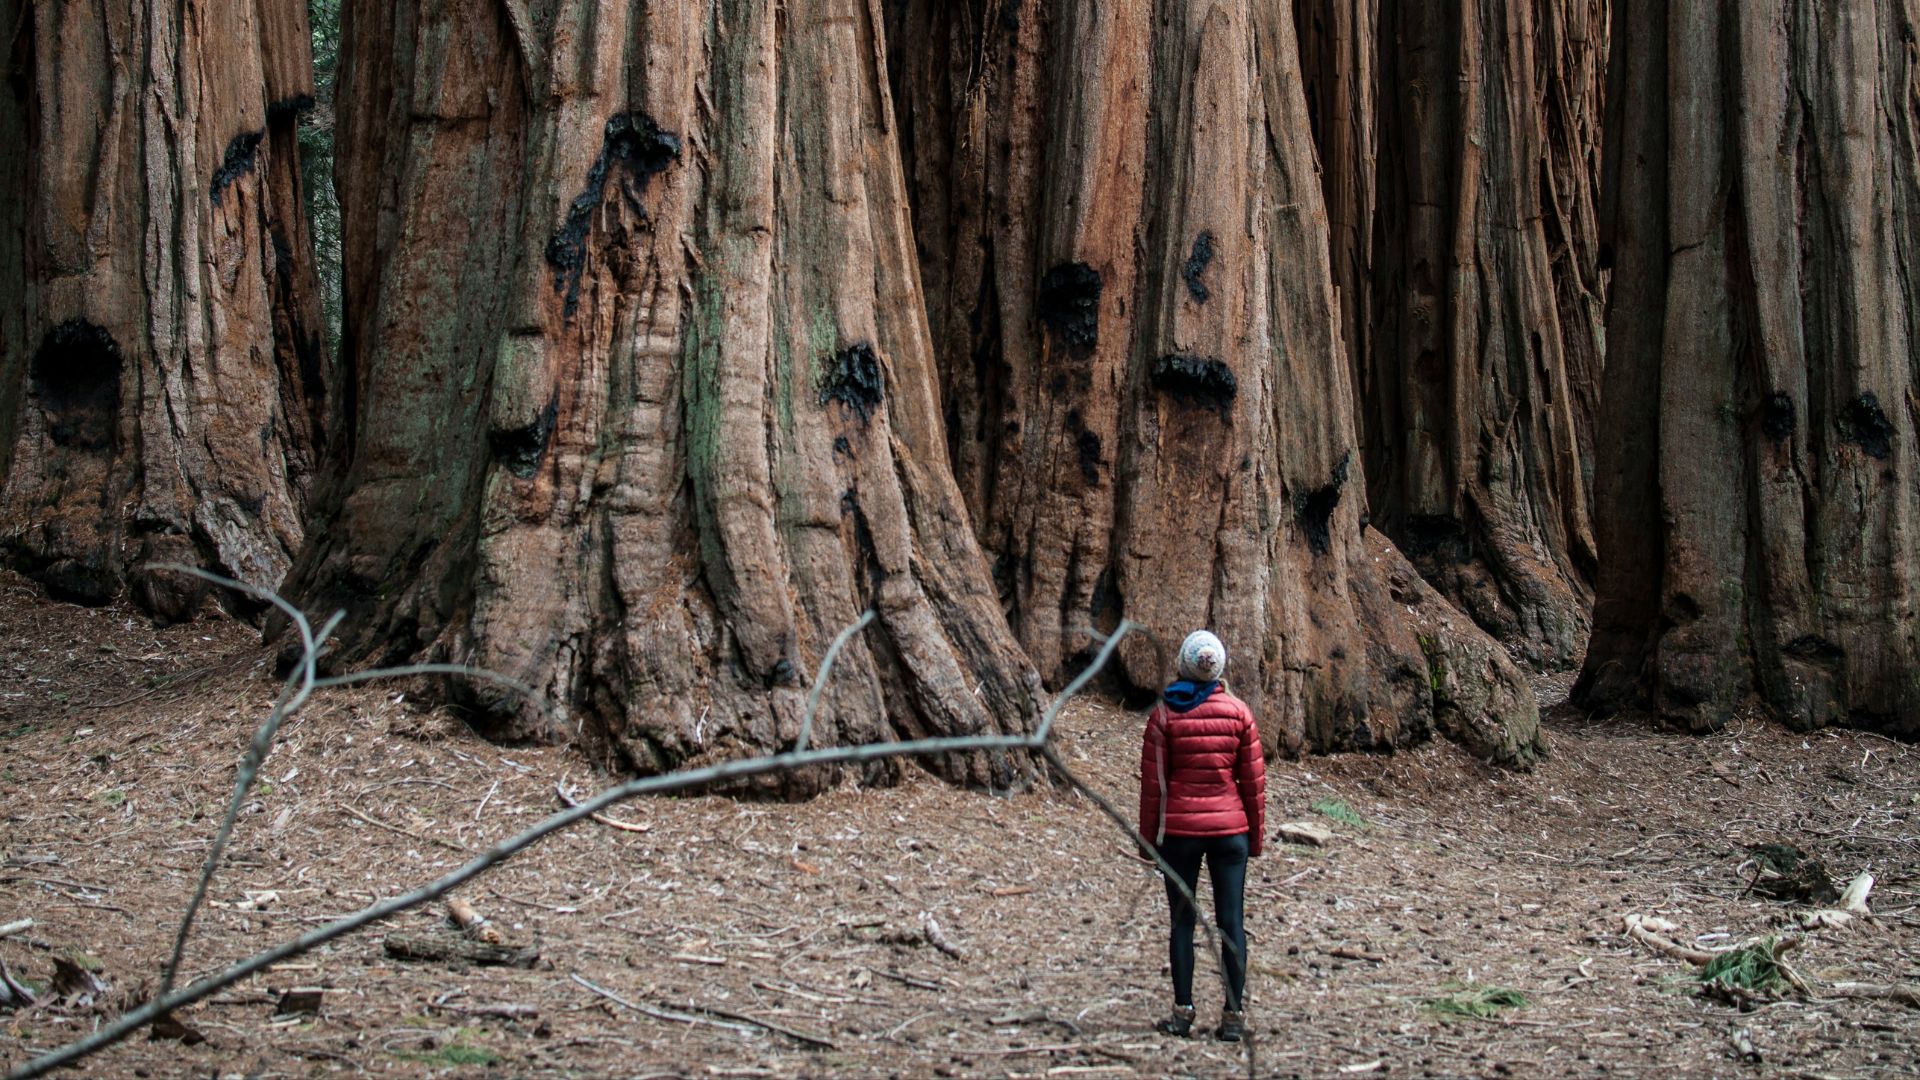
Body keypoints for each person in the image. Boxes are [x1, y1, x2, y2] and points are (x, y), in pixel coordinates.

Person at [1138, 629, 1266, 1042]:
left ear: (1184, 664)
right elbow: (1253, 784)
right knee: (1232, 921)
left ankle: (1182, 1012)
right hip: (1231, 834)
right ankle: (1233, 1016)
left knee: (1182, 922)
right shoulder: (1239, 713)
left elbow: (1153, 785)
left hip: (1181, 833)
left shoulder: (1164, 715)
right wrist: (1256, 839)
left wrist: (1147, 840)